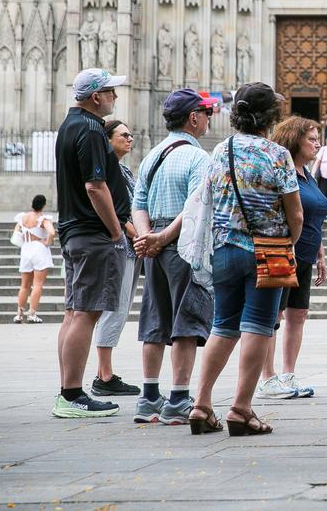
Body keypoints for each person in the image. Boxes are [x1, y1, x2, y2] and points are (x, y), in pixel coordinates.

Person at [189, 82, 303, 437]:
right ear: (270, 116)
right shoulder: (277, 155)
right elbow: (295, 213)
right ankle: (240, 408)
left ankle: (201, 404)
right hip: (266, 251)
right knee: (257, 326)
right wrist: (288, 243)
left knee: (223, 326)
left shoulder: (221, 150)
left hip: (224, 250)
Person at [131, 88, 217, 425]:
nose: (209, 119)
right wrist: (164, 237)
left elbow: (139, 203)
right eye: (206, 113)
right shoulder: (199, 158)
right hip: (182, 241)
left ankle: (149, 397)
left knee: (155, 318)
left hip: (151, 240)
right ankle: (179, 397)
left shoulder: (152, 154)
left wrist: (145, 239)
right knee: (186, 320)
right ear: (193, 118)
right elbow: (195, 206)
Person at [52, 67, 129, 418]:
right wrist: (115, 232)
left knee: (74, 312)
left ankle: (67, 390)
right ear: (96, 96)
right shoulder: (92, 130)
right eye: (111, 91)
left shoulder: (68, 127)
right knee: (86, 312)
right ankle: (71, 394)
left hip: (72, 230)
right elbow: (96, 186)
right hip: (92, 232)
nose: (115, 96)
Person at [257, 116, 327, 400]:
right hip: (284, 253)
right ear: (294, 140)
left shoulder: (306, 174)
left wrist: (320, 253)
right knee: (274, 315)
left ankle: (287, 374)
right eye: (311, 139)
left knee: (298, 314)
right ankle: (267, 378)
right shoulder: (284, 171)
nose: (317, 144)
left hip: (306, 255)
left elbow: (313, 217)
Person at [89, 120, 142, 398]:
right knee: (115, 307)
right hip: (121, 245)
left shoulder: (122, 169)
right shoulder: (108, 170)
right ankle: (105, 375)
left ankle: (103, 372)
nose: (129, 138)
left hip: (130, 246)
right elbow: (116, 211)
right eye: (123, 135)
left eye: (131, 134)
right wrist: (132, 232)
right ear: (107, 139)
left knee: (120, 308)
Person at [14, 194, 55, 323]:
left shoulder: (23, 218)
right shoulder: (42, 218)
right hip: (39, 249)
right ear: (43, 205)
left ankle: (19, 314)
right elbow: (52, 232)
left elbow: (16, 233)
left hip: (26, 249)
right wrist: (47, 242)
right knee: (37, 284)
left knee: (24, 285)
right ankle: (32, 314)